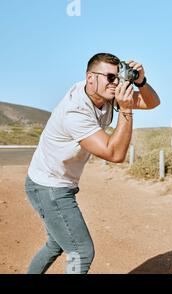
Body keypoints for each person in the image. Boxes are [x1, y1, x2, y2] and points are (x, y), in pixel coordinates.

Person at [24, 53, 160, 274]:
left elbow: (153, 102)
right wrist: (125, 109)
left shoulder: (106, 93)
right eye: (109, 77)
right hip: (49, 187)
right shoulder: (75, 110)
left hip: (52, 183)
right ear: (90, 78)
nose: (116, 83)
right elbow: (114, 154)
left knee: (55, 244)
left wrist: (141, 82)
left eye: (119, 77)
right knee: (81, 252)